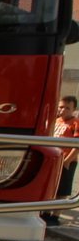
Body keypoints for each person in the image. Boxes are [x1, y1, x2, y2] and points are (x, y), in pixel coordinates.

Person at [45, 95, 79, 226]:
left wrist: (68, 160)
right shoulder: (57, 121)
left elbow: (76, 145)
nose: (63, 110)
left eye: (67, 108)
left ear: (74, 109)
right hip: (54, 160)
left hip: (66, 162)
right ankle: (46, 212)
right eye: (61, 107)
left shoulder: (75, 123)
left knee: (62, 191)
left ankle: (56, 215)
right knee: (52, 188)